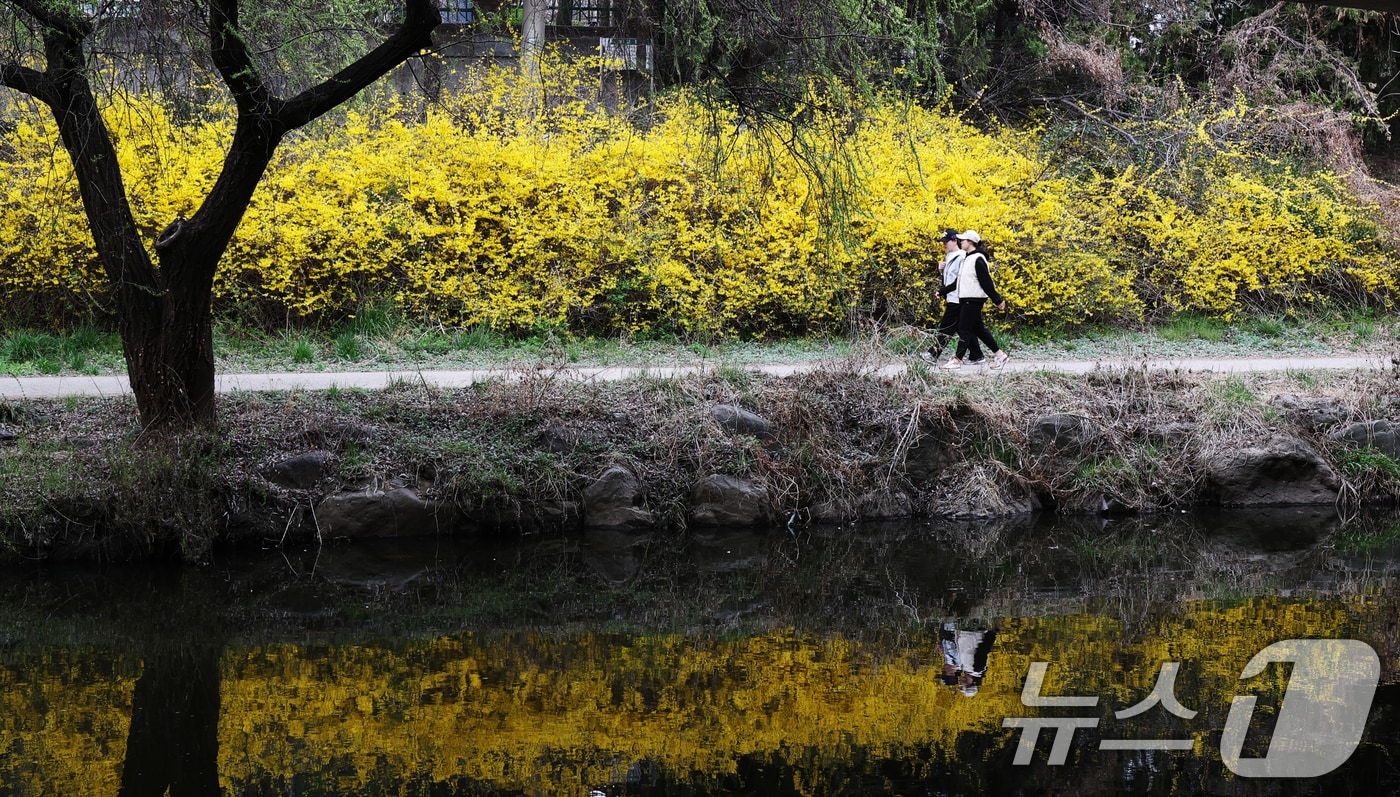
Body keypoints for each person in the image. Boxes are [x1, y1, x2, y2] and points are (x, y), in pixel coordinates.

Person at [940, 230, 1009, 370]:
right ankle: (1000, 355)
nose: (961, 242)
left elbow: (986, 281)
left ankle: (957, 360)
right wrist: (943, 291)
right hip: (966, 298)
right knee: (979, 329)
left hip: (973, 299)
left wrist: (997, 300)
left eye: (963, 240)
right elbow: (959, 281)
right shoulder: (967, 258)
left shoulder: (978, 258)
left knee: (963, 329)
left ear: (970, 242)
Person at [920, 229, 965, 363]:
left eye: (946, 242)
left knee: (946, 327)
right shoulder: (949, 255)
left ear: (954, 240)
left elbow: (959, 280)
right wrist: (941, 270)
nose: (944, 245)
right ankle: (977, 354)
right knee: (965, 328)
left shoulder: (962, 257)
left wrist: (942, 291)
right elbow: (948, 277)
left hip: (957, 297)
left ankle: (933, 354)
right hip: (950, 297)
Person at [940, 621, 997, 697]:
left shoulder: (965, 669)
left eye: (961, 685)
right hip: (974, 631)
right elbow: (984, 649)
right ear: (972, 683)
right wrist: (993, 632)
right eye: (964, 684)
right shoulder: (978, 669)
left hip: (963, 632)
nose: (961, 683)